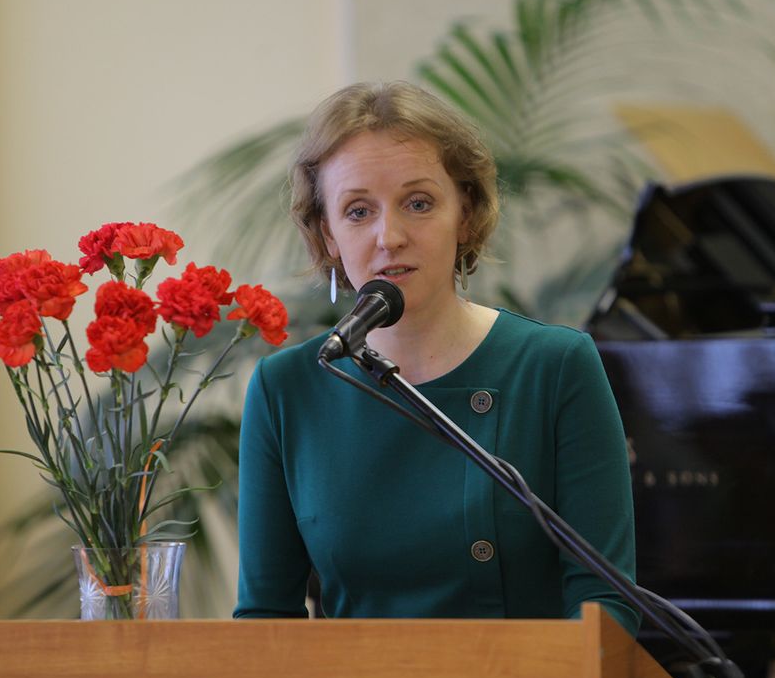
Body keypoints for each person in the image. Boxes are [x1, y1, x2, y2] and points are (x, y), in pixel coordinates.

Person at [233, 81, 638, 632]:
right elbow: (265, 621)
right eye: (358, 211)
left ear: (464, 214)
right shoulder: (287, 387)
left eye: (418, 203)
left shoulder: (555, 365)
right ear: (328, 235)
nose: (390, 236)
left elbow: (606, 604)